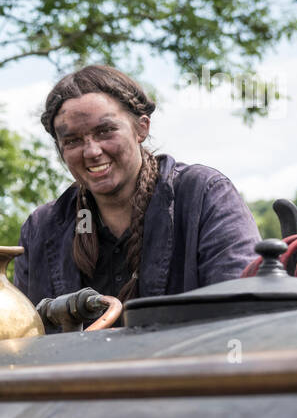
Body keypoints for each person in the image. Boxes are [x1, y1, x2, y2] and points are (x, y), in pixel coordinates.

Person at [13, 65, 259, 309]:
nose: (92, 151)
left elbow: (241, 311)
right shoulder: (40, 230)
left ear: (142, 127)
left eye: (105, 131)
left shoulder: (204, 196)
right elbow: (23, 335)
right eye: (73, 140)